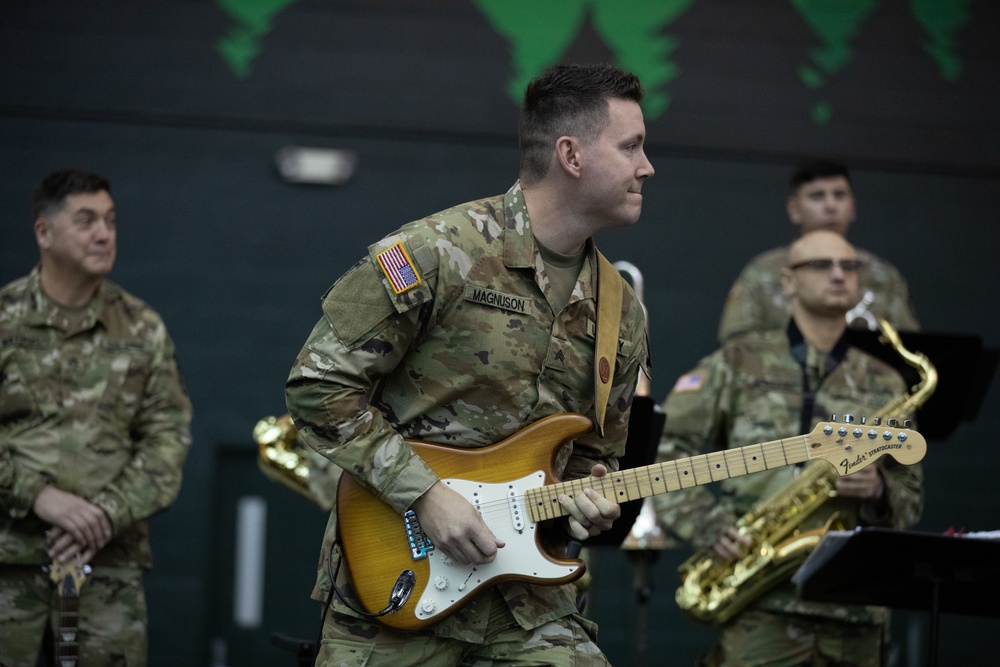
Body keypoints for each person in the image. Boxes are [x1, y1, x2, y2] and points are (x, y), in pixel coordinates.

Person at [285, 62, 653, 666]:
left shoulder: (624, 311)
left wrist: (592, 501)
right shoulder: (437, 251)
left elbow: (597, 457)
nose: (647, 166)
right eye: (632, 146)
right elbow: (317, 384)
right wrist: (426, 494)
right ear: (571, 154)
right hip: (400, 592)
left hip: (528, 606)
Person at [654, 230, 924, 666]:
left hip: (856, 609)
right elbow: (665, 448)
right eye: (822, 265)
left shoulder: (887, 382)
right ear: (787, 281)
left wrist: (879, 491)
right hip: (760, 603)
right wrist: (709, 525)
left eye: (849, 266)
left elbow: (911, 494)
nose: (839, 275)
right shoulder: (738, 361)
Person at [0, 169, 193, 666]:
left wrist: (104, 514)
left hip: (108, 568)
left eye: (109, 220)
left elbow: (167, 439)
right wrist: (39, 497)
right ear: (44, 232)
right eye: (86, 221)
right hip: (8, 562)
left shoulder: (142, 327)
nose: (104, 233)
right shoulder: (4, 320)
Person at [717, 158, 919, 342]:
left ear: (852, 207)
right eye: (817, 196)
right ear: (794, 209)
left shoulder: (882, 276)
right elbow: (737, 348)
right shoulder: (762, 273)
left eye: (839, 195)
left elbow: (909, 348)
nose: (830, 206)